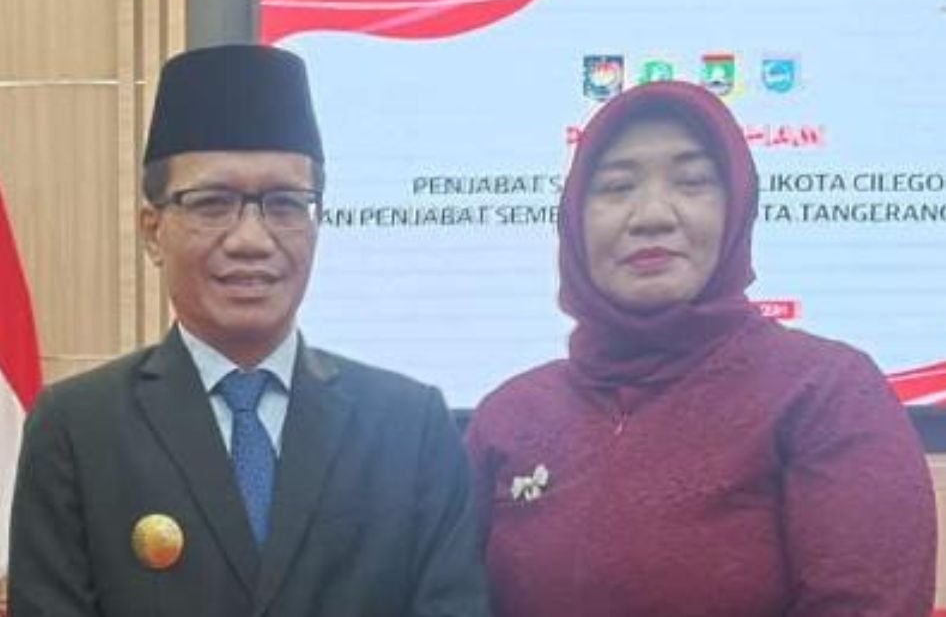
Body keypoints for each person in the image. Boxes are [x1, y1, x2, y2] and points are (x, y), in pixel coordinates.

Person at [9, 44, 490, 617]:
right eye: (213, 203)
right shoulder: (77, 429)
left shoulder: (411, 428)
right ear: (152, 230)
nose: (251, 240)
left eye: (285, 204)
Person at [465, 80, 936, 616]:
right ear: (572, 219)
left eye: (692, 182)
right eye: (617, 187)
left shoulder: (826, 392)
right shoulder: (510, 416)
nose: (652, 215)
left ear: (736, 208)